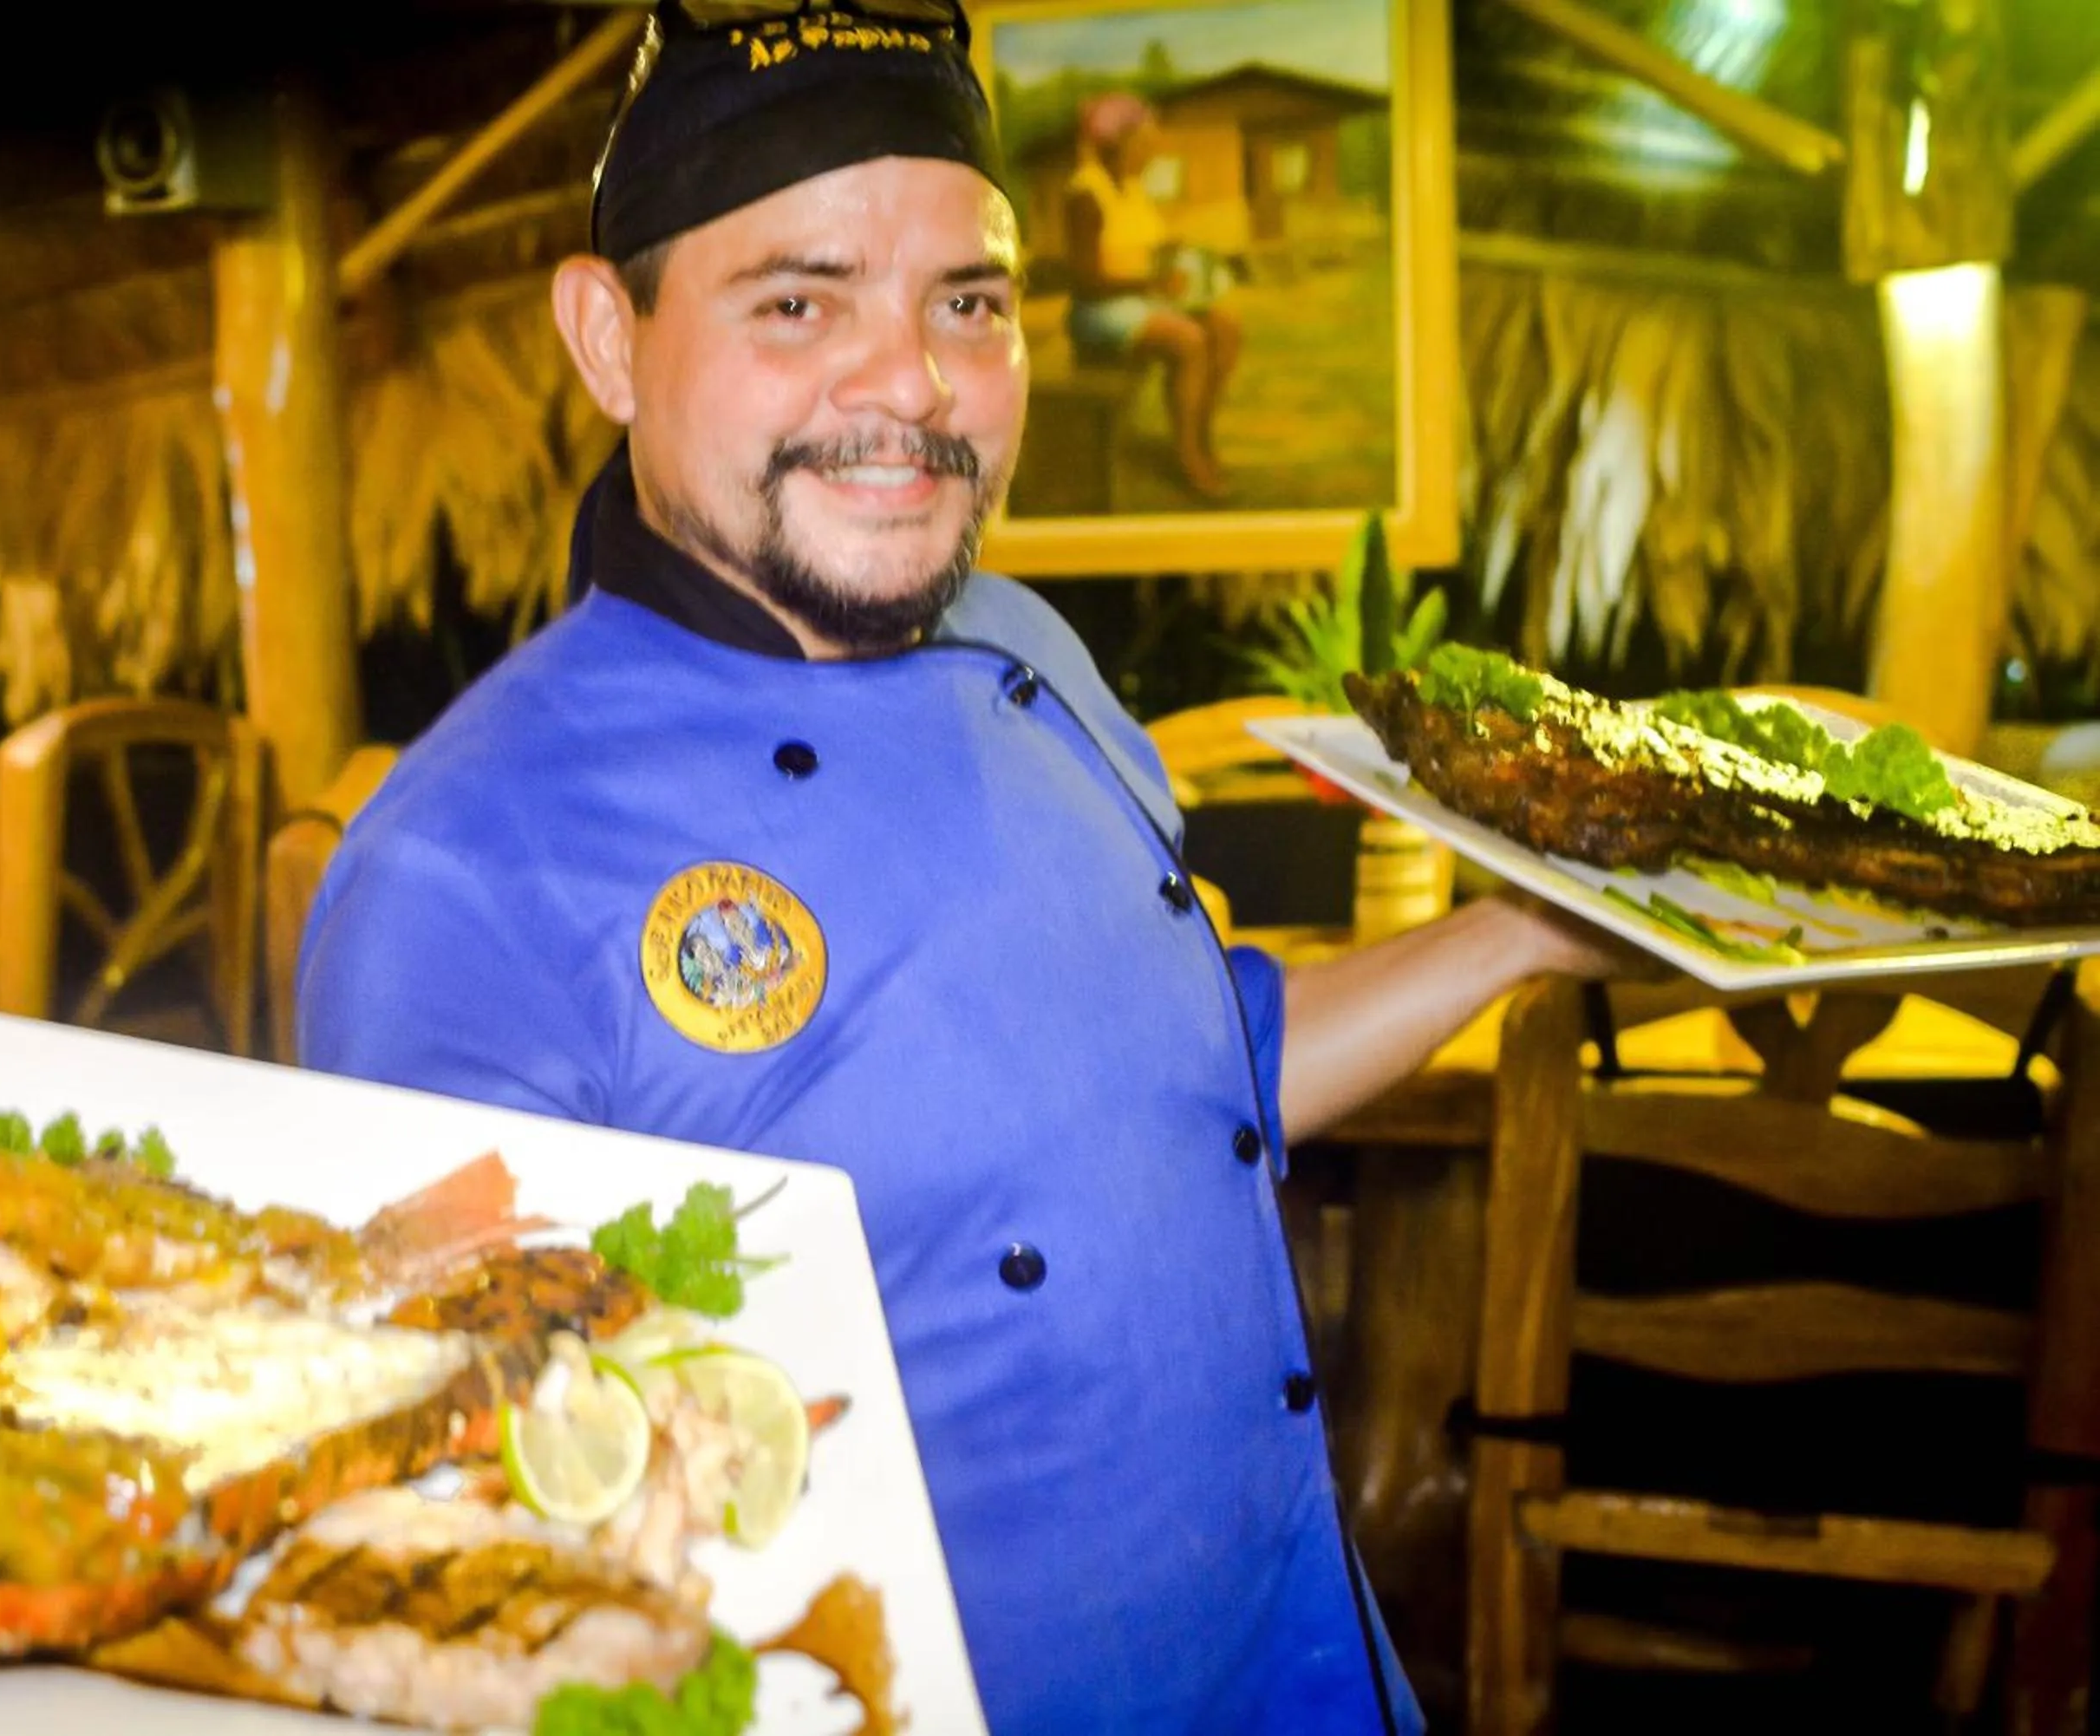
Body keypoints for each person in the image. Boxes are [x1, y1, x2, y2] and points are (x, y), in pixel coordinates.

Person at [297, 3, 1630, 1729]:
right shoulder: (457, 869)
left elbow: (1192, 1076)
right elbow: (451, 1558)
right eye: (800, 300)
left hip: (1308, 1663)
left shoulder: (1036, 656)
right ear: (607, 340)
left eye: (968, 303)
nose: (911, 382)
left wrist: (1526, 931)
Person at [1061, 90, 1244, 499]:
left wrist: (1179, 251)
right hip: (1098, 313)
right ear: (1117, 143)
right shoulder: (1085, 195)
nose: (1149, 153)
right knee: (1190, 341)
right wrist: (1152, 284)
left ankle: (1199, 429)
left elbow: (1151, 247)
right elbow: (1085, 281)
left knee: (1225, 328)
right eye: (1143, 144)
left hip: (1140, 303)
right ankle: (1189, 456)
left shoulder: (1131, 189)